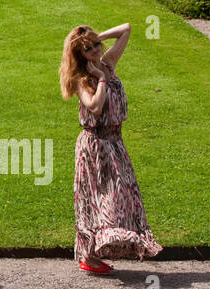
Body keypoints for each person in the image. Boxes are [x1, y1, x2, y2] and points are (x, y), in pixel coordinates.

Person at [59, 23, 162, 275]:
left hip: (115, 142)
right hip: (95, 145)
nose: (95, 50)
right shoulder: (82, 78)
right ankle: (89, 256)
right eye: (87, 49)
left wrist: (92, 37)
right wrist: (102, 79)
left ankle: (93, 254)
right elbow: (94, 107)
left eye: (96, 45)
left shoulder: (107, 61)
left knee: (121, 197)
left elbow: (126, 29)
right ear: (78, 55)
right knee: (99, 200)